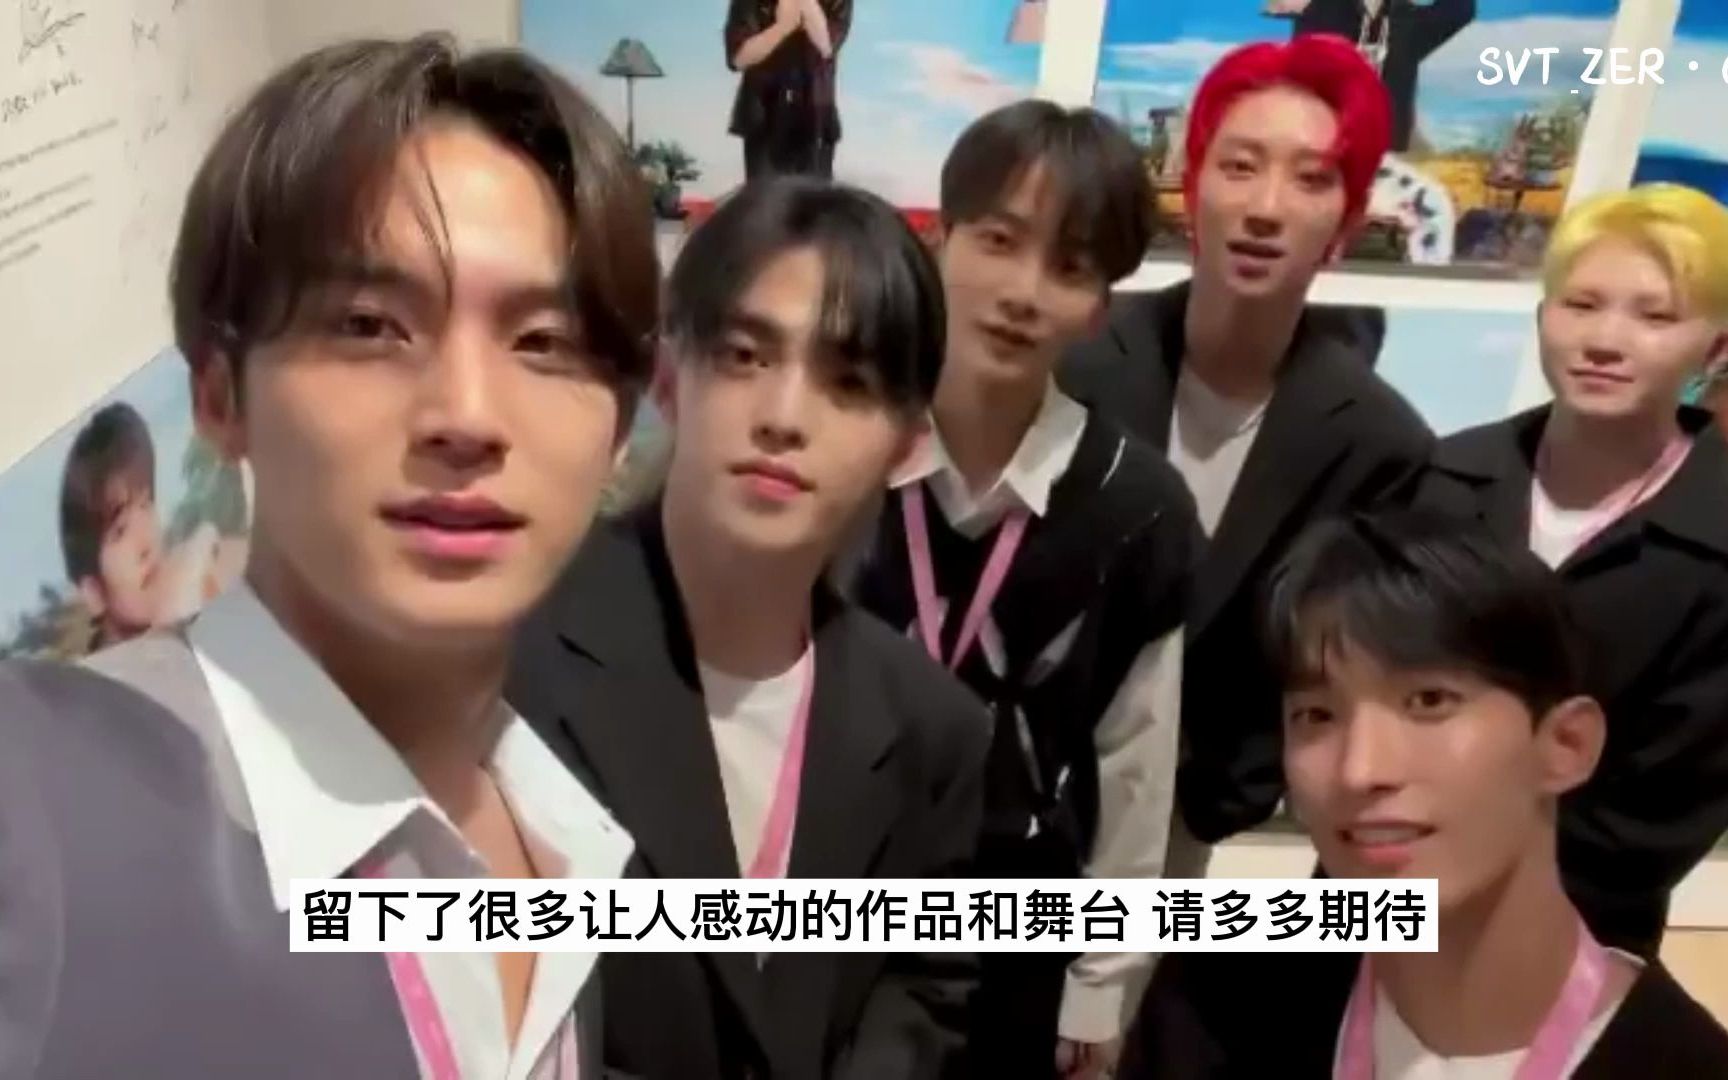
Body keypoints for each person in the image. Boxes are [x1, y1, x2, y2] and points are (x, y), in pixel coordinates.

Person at [0, 35, 659, 1078]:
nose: (467, 416)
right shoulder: (44, 806)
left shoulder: (563, 831)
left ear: (619, 429)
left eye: (543, 342)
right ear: (220, 395)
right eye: (370, 325)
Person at [508, 175, 991, 1080]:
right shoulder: (507, 654)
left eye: (848, 382)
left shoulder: (934, 730)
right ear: (667, 378)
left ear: (907, 446)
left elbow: (926, 983)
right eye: (744, 356)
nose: (783, 417)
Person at [1119, 512, 1728, 1078]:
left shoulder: (1683, 1065)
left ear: (1566, 744)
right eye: (1317, 715)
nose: (1360, 770)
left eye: (1429, 701)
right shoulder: (1207, 1006)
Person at [851, 100, 1201, 1079]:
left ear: (1102, 305)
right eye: (998, 241)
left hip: (1019, 940)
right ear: (940, 238)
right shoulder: (839, 453)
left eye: (1070, 266)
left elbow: (1136, 768)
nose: (1022, 292)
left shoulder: (1138, 509)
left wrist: (1103, 984)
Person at [1060, 35, 1433, 869]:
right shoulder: (1075, 361)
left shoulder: (1380, 445)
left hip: (1183, 814)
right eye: (1239, 167)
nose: (1266, 208)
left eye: (1311, 179)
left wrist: (1239, 782)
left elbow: (1343, 655)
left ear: (1346, 223)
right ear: (1194, 187)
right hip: (1018, 781)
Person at [1413, 183, 1728, 957]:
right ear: (1542, 315)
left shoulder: (1716, 540)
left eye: (1655, 317)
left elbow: (1659, 818)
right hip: (1370, 894)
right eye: (1581, 305)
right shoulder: (1439, 479)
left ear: (1716, 349)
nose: (1604, 340)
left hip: (1568, 935)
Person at [1267, 0, 1476, 154]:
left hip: (1385, 152)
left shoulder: (1408, 22)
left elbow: (1459, 10)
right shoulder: (1321, 13)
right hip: (1327, 143)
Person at [725, 0, 851, 179]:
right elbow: (738, 58)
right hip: (763, 118)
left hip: (815, 119)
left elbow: (826, 46)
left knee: (814, 195)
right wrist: (782, 27)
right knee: (765, 196)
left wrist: (804, 5)